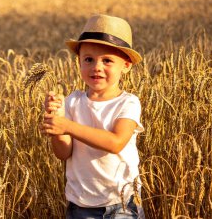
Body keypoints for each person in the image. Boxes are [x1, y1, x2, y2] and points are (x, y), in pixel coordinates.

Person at [42, 14, 145, 218]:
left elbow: (115, 142)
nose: (96, 67)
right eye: (88, 59)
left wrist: (67, 126)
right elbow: (63, 153)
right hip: (80, 204)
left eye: (107, 60)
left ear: (126, 65)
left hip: (121, 203)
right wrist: (56, 125)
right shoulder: (71, 101)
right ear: (78, 62)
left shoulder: (128, 103)